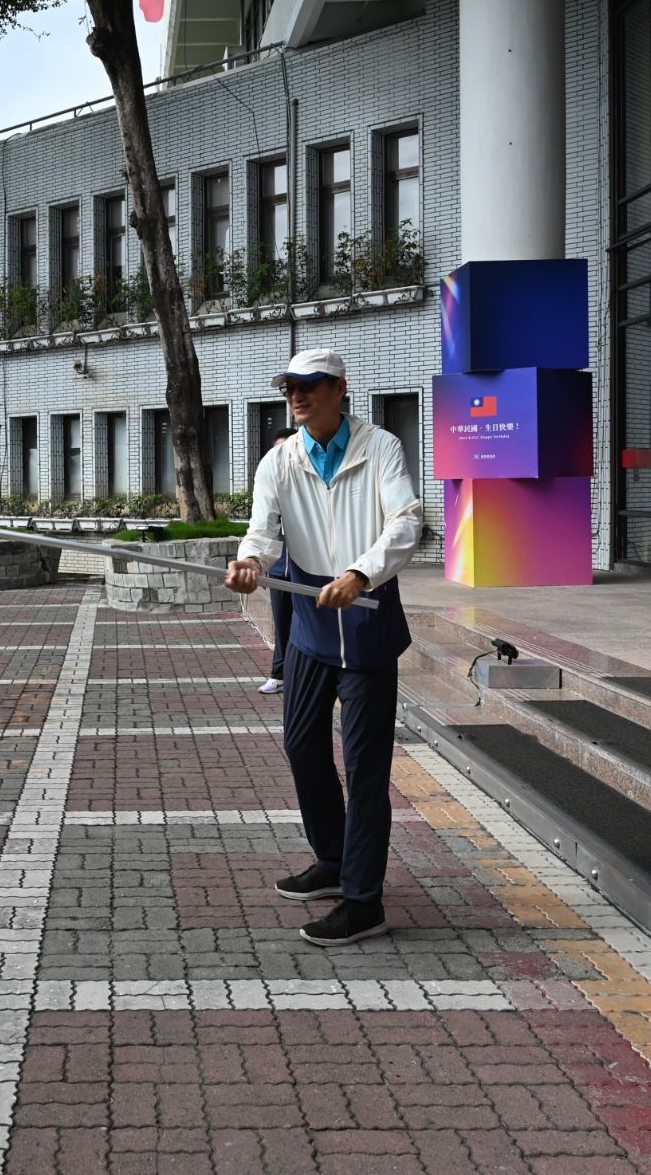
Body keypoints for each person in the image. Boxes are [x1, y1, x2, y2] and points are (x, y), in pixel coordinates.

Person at [227, 348, 422, 948]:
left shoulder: (380, 447)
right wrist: (250, 559)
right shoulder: (280, 460)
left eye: (310, 386)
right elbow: (264, 527)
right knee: (302, 744)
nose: (297, 396)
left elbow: (407, 522)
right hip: (312, 623)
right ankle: (334, 859)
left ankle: (363, 901)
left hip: (365, 616)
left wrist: (362, 574)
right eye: (290, 387)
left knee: (366, 768)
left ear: (340, 388)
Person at [257, 430, 295, 696]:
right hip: (280, 568)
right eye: (275, 450)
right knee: (282, 624)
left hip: (312, 572)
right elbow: (262, 528)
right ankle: (279, 674)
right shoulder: (272, 484)